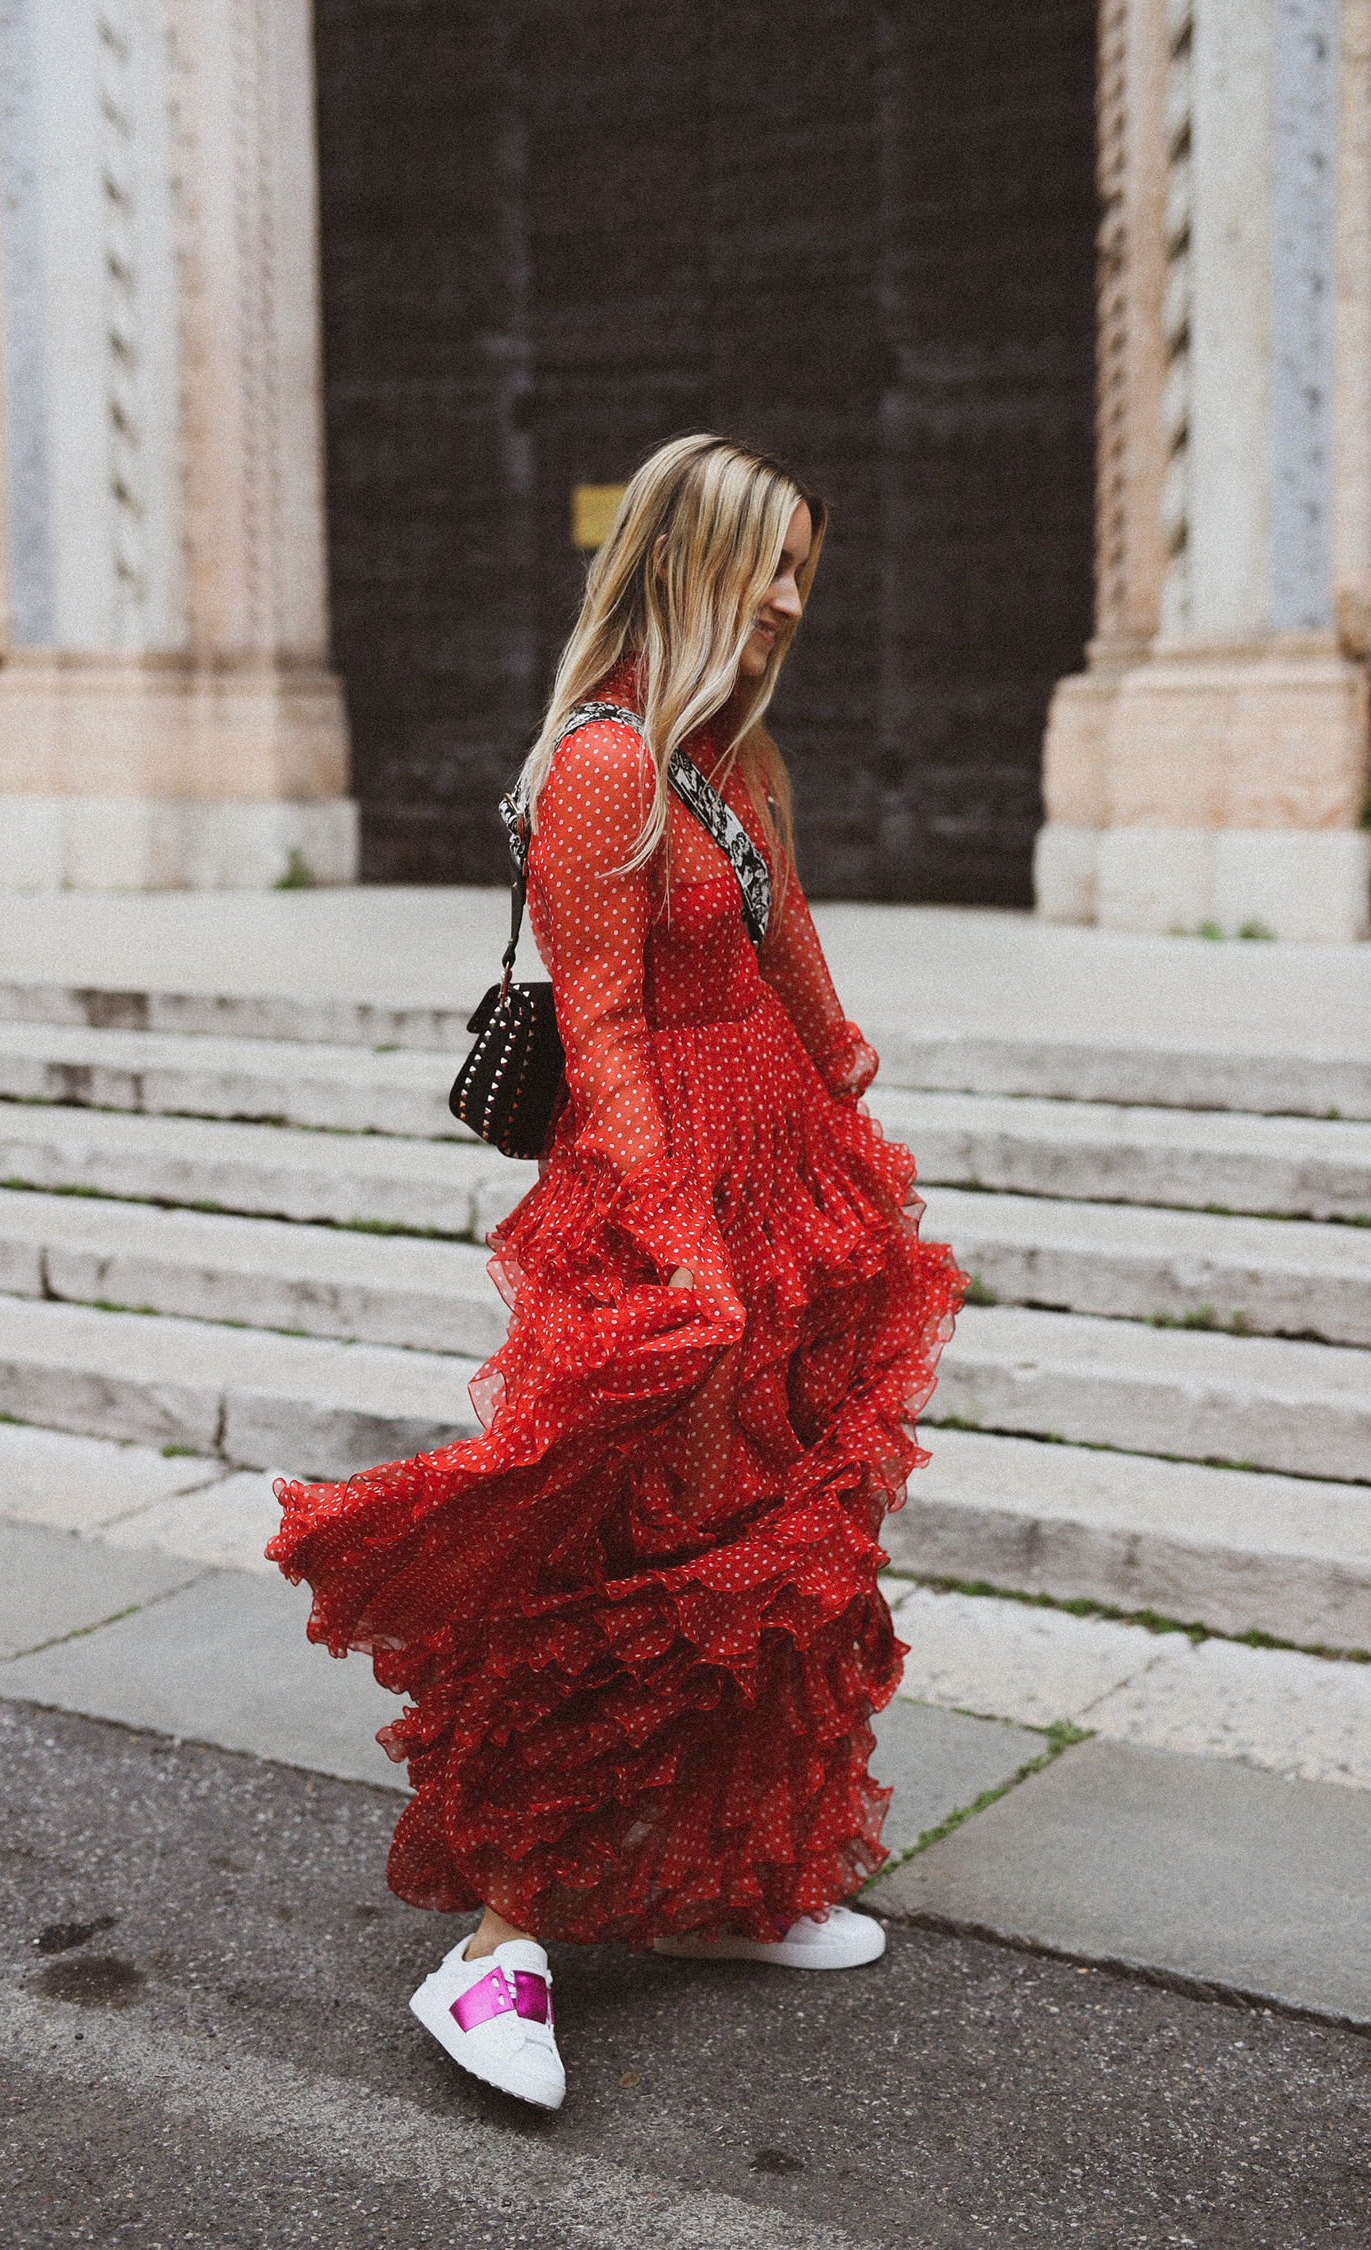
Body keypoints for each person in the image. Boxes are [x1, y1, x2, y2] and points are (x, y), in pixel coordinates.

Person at [269, 433, 966, 2111]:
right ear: (681, 563)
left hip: (778, 1177)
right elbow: (604, 1031)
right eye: (770, 563)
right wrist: (683, 1249)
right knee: (625, 1561)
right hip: (662, 1200)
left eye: (808, 563)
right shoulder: (602, 769)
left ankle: (726, 1879)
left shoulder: (733, 760)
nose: (797, 595)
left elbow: (790, 944)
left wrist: (850, 1097)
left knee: (774, 1548)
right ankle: (494, 1945)